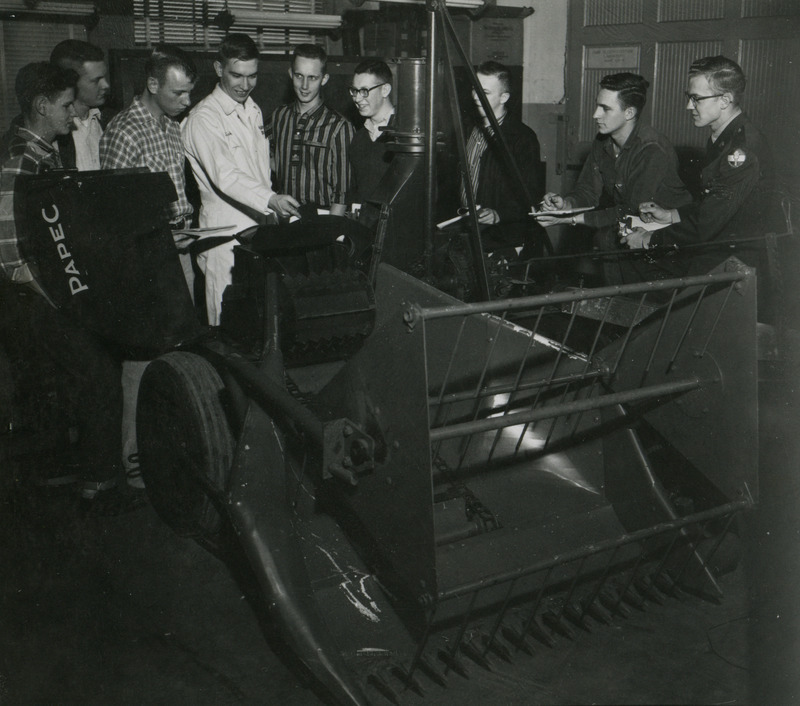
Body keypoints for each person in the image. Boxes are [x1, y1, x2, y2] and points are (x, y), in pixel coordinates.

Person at [0, 63, 129, 511]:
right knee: (97, 374)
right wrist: (61, 302)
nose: (75, 113)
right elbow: (11, 255)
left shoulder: (47, 155)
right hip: (29, 302)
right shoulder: (21, 160)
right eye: (65, 104)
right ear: (41, 106)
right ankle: (99, 486)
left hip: (49, 297)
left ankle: (87, 474)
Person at [100, 44, 198, 491]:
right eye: (179, 93)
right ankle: (134, 460)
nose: (187, 101)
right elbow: (117, 215)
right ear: (153, 85)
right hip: (144, 264)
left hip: (178, 253)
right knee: (140, 361)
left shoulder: (172, 128)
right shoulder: (125, 131)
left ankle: (167, 447)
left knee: (176, 354)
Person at [182, 33, 300, 326]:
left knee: (257, 323)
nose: (245, 85)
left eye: (252, 76)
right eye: (237, 75)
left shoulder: (252, 109)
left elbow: (258, 172)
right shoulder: (203, 118)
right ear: (219, 69)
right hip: (224, 240)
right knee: (225, 328)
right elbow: (225, 175)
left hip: (257, 234)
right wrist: (270, 199)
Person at [623, 56, 775, 277]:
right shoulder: (723, 137)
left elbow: (707, 224)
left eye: (696, 99)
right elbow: (714, 204)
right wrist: (671, 214)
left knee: (628, 259)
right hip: (717, 248)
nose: (688, 106)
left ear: (724, 100)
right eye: (689, 97)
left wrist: (649, 240)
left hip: (733, 262)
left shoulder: (741, 152)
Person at [539, 72, 691, 283]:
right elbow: (588, 192)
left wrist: (570, 219)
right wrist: (565, 204)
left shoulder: (652, 150)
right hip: (627, 233)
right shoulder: (602, 142)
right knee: (607, 244)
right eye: (597, 106)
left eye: (605, 109)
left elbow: (631, 208)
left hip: (664, 243)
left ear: (629, 113)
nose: (595, 115)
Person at [461, 61, 547, 257]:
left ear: (504, 97)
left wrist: (499, 214)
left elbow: (530, 192)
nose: (475, 97)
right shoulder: (466, 130)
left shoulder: (522, 138)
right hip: (466, 233)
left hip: (501, 239)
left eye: (485, 92)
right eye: (474, 89)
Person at [267, 44, 354, 217]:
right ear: (291, 74)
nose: (304, 86)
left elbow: (342, 195)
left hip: (322, 221)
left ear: (324, 79)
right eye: (299, 76)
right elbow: (262, 156)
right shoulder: (279, 116)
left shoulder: (339, 127)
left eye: (312, 78)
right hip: (284, 220)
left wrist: (329, 234)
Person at [49, 40, 111, 170]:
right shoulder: (52, 129)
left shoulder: (110, 120)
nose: (106, 85)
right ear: (71, 82)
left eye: (104, 77)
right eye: (96, 80)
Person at [348, 59, 395, 206]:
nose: (357, 98)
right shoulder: (358, 138)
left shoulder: (405, 134)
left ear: (385, 90)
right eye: (354, 91)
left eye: (364, 91)